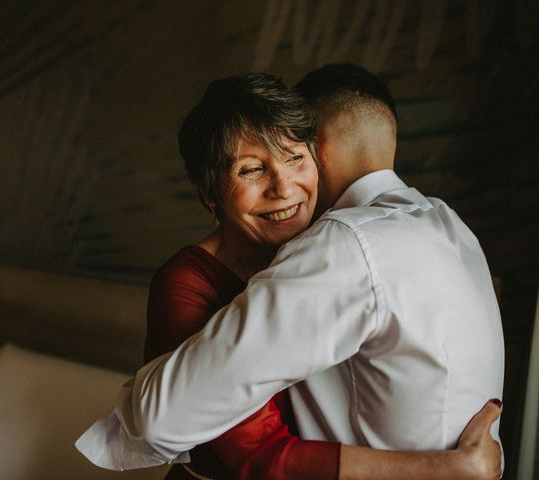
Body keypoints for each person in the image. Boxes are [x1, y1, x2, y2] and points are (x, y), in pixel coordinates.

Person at [77, 69, 504, 479]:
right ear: (211, 195)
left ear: (318, 155)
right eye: (251, 169)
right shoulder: (188, 281)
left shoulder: (334, 254)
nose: (283, 187)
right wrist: (447, 469)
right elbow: (257, 455)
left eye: (295, 157)